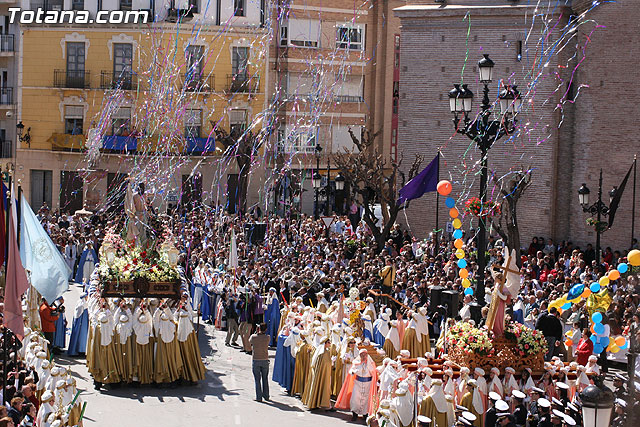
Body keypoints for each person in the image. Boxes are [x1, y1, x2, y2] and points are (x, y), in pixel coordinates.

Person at [335, 348, 379, 421]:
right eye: (361, 355)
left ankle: (365, 414)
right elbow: (351, 369)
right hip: (358, 383)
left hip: (367, 383)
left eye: (364, 355)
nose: (363, 356)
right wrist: (353, 371)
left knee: (366, 399)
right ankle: (355, 414)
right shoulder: (356, 362)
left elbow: (374, 372)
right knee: (355, 398)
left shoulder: (371, 363)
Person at [249, 323, 270, 402]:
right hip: (265, 359)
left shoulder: (253, 337)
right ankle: (266, 395)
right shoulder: (267, 337)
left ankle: (259, 397)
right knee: (265, 378)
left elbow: (250, 341)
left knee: (257, 379)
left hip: (256, 359)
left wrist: (256, 332)